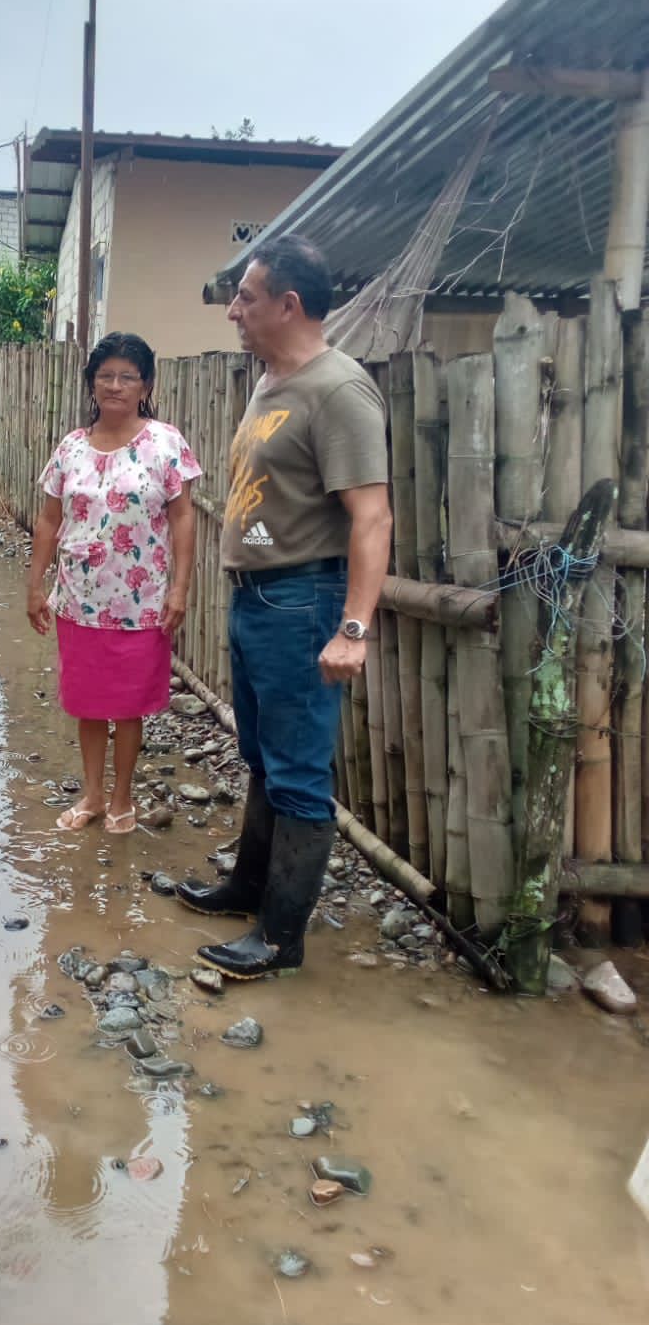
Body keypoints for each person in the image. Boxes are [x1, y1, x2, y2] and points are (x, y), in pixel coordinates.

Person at [177, 236, 391, 979]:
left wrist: (353, 628)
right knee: (263, 757)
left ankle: (280, 938)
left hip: (304, 600)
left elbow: (372, 517)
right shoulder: (271, 382)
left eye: (246, 297)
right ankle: (248, 889)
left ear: (289, 305)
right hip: (257, 599)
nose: (233, 311)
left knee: (298, 771)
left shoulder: (339, 390)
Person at [27, 332, 201, 834]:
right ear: (91, 383)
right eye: (105, 375)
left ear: (146, 385)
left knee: (127, 706)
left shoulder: (165, 444)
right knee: (87, 703)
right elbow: (49, 519)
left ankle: (123, 798)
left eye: (127, 376)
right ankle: (93, 795)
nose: (115, 385)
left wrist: (179, 589)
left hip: (141, 603)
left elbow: (183, 518)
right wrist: (36, 586)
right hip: (78, 600)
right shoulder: (71, 448)